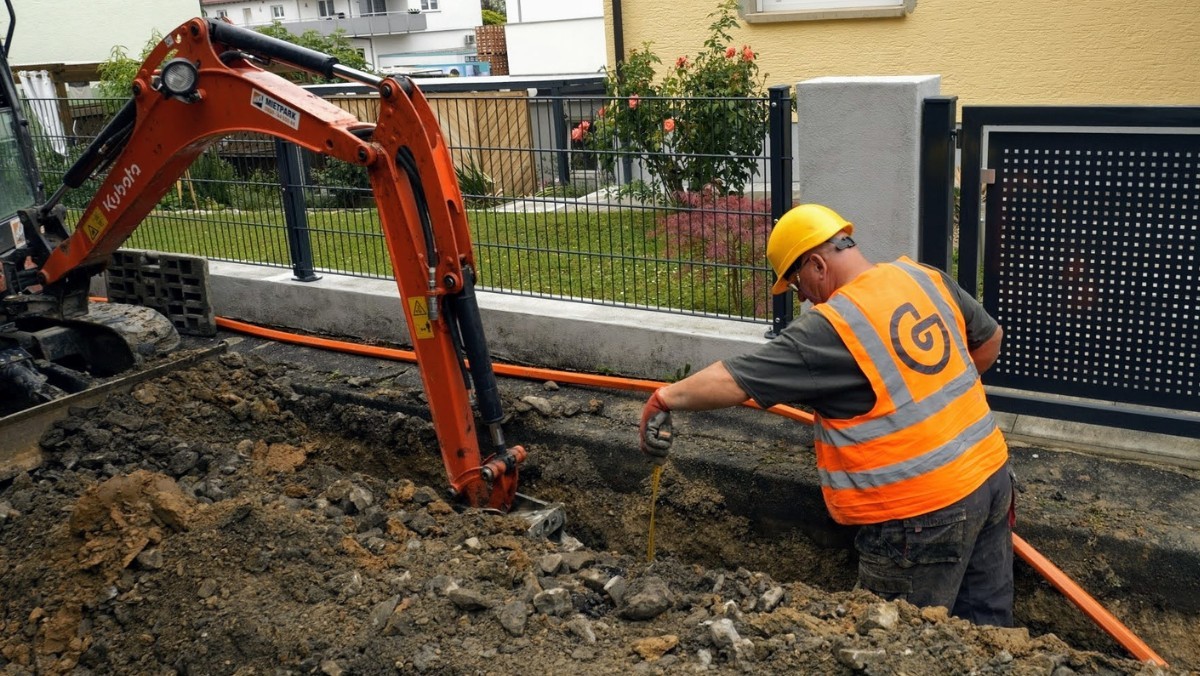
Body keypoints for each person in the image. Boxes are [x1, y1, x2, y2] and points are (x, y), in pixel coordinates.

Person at [639, 203, 1014, 626]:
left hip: (919, 514)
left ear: (818, 263)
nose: (800, 296)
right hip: (991, 476)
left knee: (896, 647)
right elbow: (990, 340)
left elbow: (735, 380)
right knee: (987, 634)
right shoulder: (921, 277)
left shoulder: (833, 327)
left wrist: (664, 398)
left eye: (797, 282)